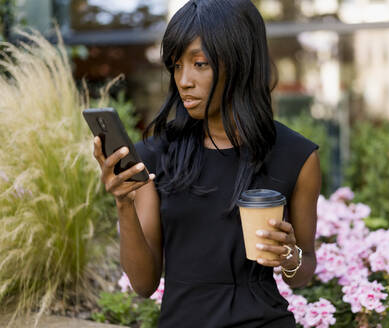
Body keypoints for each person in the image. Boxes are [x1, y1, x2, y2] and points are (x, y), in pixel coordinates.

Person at [92, 0, 321, 326]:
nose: (184, 80)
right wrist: (123, 204)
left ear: (241, 63)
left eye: (200, 64)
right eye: (176, 65)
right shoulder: (156, 155)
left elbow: (302, 272)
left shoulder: (296, 156)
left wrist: (289, 255)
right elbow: (144, 285)